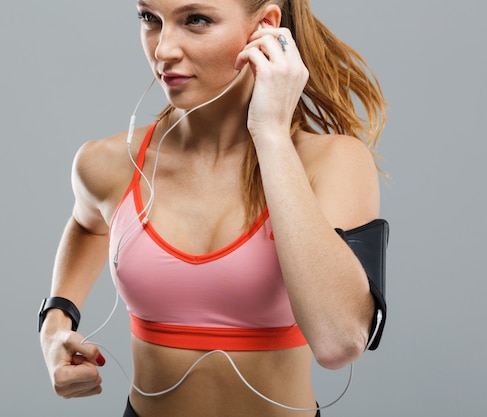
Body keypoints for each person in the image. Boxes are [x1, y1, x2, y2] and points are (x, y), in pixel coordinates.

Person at [39, 0, 387, 416]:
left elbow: (339, 342)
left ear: (265, 27)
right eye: (150, 19)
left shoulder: (331, 164)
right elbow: (88, 224)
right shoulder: (111, 164)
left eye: (196, 20)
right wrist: (54, 327)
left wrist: (271, 134)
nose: (163, 49)